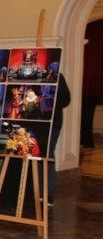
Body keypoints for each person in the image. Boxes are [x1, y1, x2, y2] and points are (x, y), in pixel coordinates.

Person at [46, 73, 71, 204]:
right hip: (36, 121)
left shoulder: (57, 77)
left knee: (48, 154)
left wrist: (51, 103)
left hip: (53, 122)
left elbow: (66, 99)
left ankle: (48, 192)